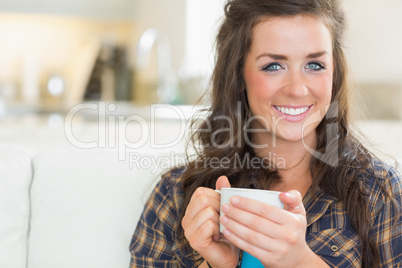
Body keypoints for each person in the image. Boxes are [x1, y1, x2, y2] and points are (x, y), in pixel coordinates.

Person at [129, 0, 402, 267]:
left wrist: (300, 262)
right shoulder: (174, 196)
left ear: (335, 75)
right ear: (238, 76)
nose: (297, 89)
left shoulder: (379, 194)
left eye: (315, 65)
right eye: (273, 66)